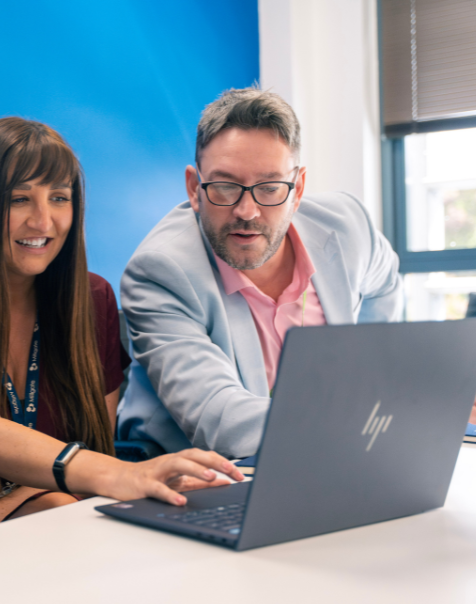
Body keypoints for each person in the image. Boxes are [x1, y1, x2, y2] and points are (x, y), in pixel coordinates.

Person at [0, 118, 242, 553]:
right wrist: (119, 475)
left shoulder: (91, 297)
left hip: (60, 513)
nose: (42, 221)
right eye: (18, 199)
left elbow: (94, 438)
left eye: (59, 198)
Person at [117, 87, 403, 459]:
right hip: (192, 475)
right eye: (225, 186)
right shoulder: (160, 271)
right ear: (194, 188)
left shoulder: (348, 227)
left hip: (324, 457)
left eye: (269, 188)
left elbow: (384, 286)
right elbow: (222, 420)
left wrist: (369, 384)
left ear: (297, 189)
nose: (247, 211)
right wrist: (374, 418)